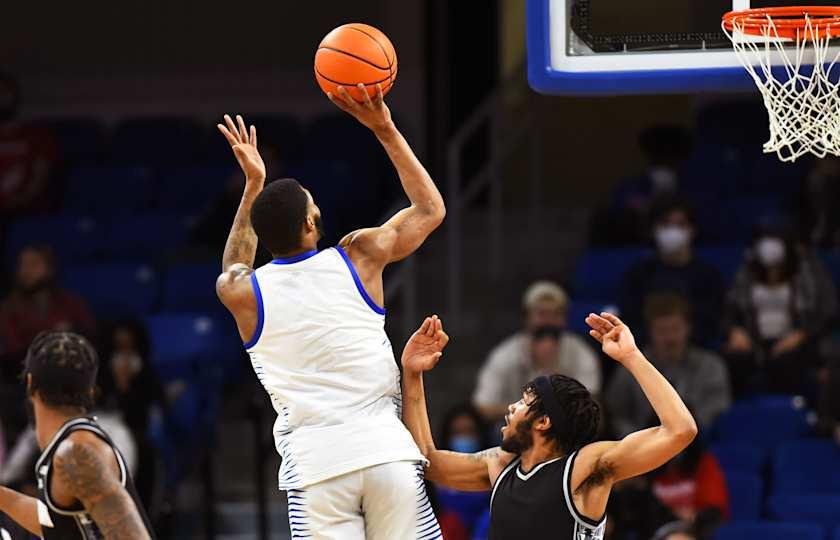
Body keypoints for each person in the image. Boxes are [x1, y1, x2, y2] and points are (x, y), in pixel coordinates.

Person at [214, 83, 446, 539]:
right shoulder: (358, 255)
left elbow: (235, 263)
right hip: (386, 456)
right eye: (312, 202)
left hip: (318, 469)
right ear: (308, 223)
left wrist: (253, 187)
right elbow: (430, 208)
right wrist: (385, 128)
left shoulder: (245, 291)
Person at [401, 313, 697, 539]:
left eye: (522, 402)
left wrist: (631, 357)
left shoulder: (585, 469)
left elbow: (680, 430)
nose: (511, 408)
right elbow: (428, 461)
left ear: (543, 421)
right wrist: (413, 374)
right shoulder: (499, 465)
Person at [0, 332, 153, 538]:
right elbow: (56, 525)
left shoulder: (77, 453)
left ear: (29, 383)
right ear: (90, 391)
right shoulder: (68, 447)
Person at [724, 221, 837, 396]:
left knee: (787, 362)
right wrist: (735, 330)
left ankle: (791, 410)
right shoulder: (746, 272)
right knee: (735, 358)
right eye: (765, 239)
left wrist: (801, 335)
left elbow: (828, 310)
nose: (770, 246)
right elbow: (730, 309)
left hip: (798, 341)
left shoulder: (808, 270)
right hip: (754, 341)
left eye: (775, 239)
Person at [473, 281, 601, 422]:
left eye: (555, 314)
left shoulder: (580, 352)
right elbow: (483, 406)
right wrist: (531, 413)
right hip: (516, 427)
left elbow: (590, 402)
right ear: (527, 318)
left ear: (564, 319)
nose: (548, 322)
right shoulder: (505, 354)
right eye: (542, 314)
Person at [606, 293, 730, 437]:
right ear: (650, 331)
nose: (670, 338)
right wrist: (642, 438)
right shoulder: (630, 368)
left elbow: (718, 413)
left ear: (688, 328)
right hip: (644, 449)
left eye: (675, 329)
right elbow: (615, 416)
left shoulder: (711, 367)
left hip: (697, 446)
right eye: (662, 331)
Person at [618, 197, 725, 347]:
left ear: (692, 230)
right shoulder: (638, 274)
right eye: (665, 224)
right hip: (646, 352)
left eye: (680, 224)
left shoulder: (709, 276)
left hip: (698, 353)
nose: (672, 231)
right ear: (654, 229)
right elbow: (629, 319)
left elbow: (714, 321)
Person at [98, 319, 168, 509]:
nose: (125, 353)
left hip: (137, 433)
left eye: (129, 346)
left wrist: (126, 386)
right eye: (120, 347)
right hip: (103, 432)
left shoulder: (146, 373)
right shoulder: (101, 374)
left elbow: (155, 405)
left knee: (143, 454)